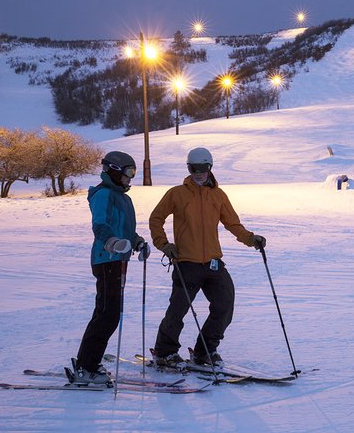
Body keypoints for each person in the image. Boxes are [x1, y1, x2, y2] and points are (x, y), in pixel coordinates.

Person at [149, 147, 266, 368]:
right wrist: (164, 244)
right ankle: (165, 353)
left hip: (213, 262)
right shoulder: (177, 193)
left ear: (210, 168)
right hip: (186, 262)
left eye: (203, 168)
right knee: (178, 309)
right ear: (189, 168)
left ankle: (205, 351)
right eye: (194, 168)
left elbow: (232, 223)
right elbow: (156, 218)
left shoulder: (218, 195)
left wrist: (251, 239)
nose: (199, 173)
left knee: (224, 304)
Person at [69, 150, 150, 385]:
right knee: (108, 315)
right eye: (128, 172)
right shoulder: (103, 194)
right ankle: (87, 367)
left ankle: (87, 361)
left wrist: (137, 242)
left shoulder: (124, 197)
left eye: (134, 173)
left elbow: (126, 229)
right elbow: (100, 224)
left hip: (118, 261)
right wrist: (112, 242)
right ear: (114, 171)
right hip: (106, 259)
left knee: (106, 312)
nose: (131, 177)